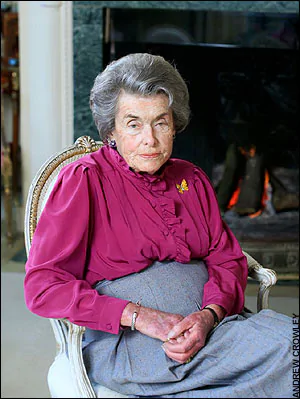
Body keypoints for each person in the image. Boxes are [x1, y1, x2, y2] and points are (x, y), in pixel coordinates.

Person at [24, 53, 294, 398]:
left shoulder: (191, 178)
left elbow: (226, 258)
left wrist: (209, 315)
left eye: (160, 122)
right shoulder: (84, 180)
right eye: (133, 124)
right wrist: (141, 316)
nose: (149, 139)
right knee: (289, 348)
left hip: (213, 328)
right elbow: (43, 286)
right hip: (135, 344)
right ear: (111, 130)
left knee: (286, 346)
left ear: (174, 124)